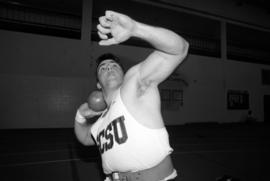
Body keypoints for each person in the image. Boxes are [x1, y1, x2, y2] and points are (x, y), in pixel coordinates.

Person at [74, 10, 189, 181]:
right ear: (98, 84)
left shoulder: (134, 84)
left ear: (123, 72)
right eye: (102, 68)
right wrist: (80, 116)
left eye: (113, 65)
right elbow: (84, 138)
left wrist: (136, 29)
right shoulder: (101, 121)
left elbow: (179, 49)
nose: (108, 68)